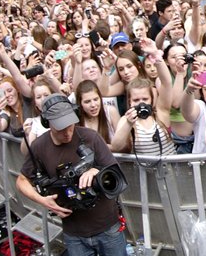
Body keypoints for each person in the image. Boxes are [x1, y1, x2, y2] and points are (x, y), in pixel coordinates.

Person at [15, 94, 127, 255]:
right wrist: (42, 200)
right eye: (61, 128)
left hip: (108, 228)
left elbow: (116, 173)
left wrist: (96, 170)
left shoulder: (90, 137)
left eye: (70, 126)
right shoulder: (39, 146)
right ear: (48, 123)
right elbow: (21, 180)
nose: (67, 132)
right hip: (74, 234)